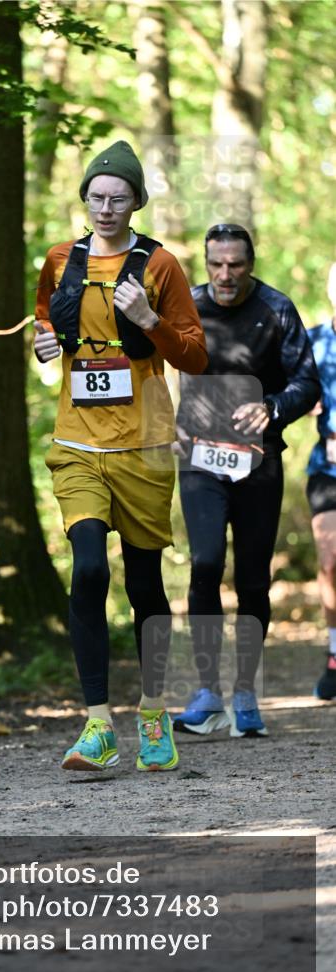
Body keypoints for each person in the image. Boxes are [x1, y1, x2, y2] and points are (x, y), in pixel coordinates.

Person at [33, 139, 207, 773]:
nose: (106, 208)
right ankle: (97, 724)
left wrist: (150, 319)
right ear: (84, 200)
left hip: (144, 444)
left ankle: (154, 711)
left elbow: (194, 353)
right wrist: (45, 345)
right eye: (96, 197)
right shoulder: (60, 259)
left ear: (137, 202)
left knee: (143, 583)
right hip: (77, 441)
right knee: (87, 569)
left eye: (119, 198)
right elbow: (46, 321)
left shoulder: (160, 265)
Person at [173, 223, 320, 738]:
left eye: (235, 264)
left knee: (254, 580)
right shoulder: (187, 307)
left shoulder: (277, 309)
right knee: (206, 562)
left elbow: (307, 381)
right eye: (216, 264)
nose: (225, 274)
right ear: (206, 263)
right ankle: (208, 691)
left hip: (259, 463)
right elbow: (154, 364)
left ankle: (246, 693)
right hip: (199, 460)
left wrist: (273, 407)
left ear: (250, 263)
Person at [307, 263, 336, 700]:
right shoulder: (314, 340)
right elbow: (289, 386)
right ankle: (335, 655)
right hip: (327, 469)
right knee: (331, 559)